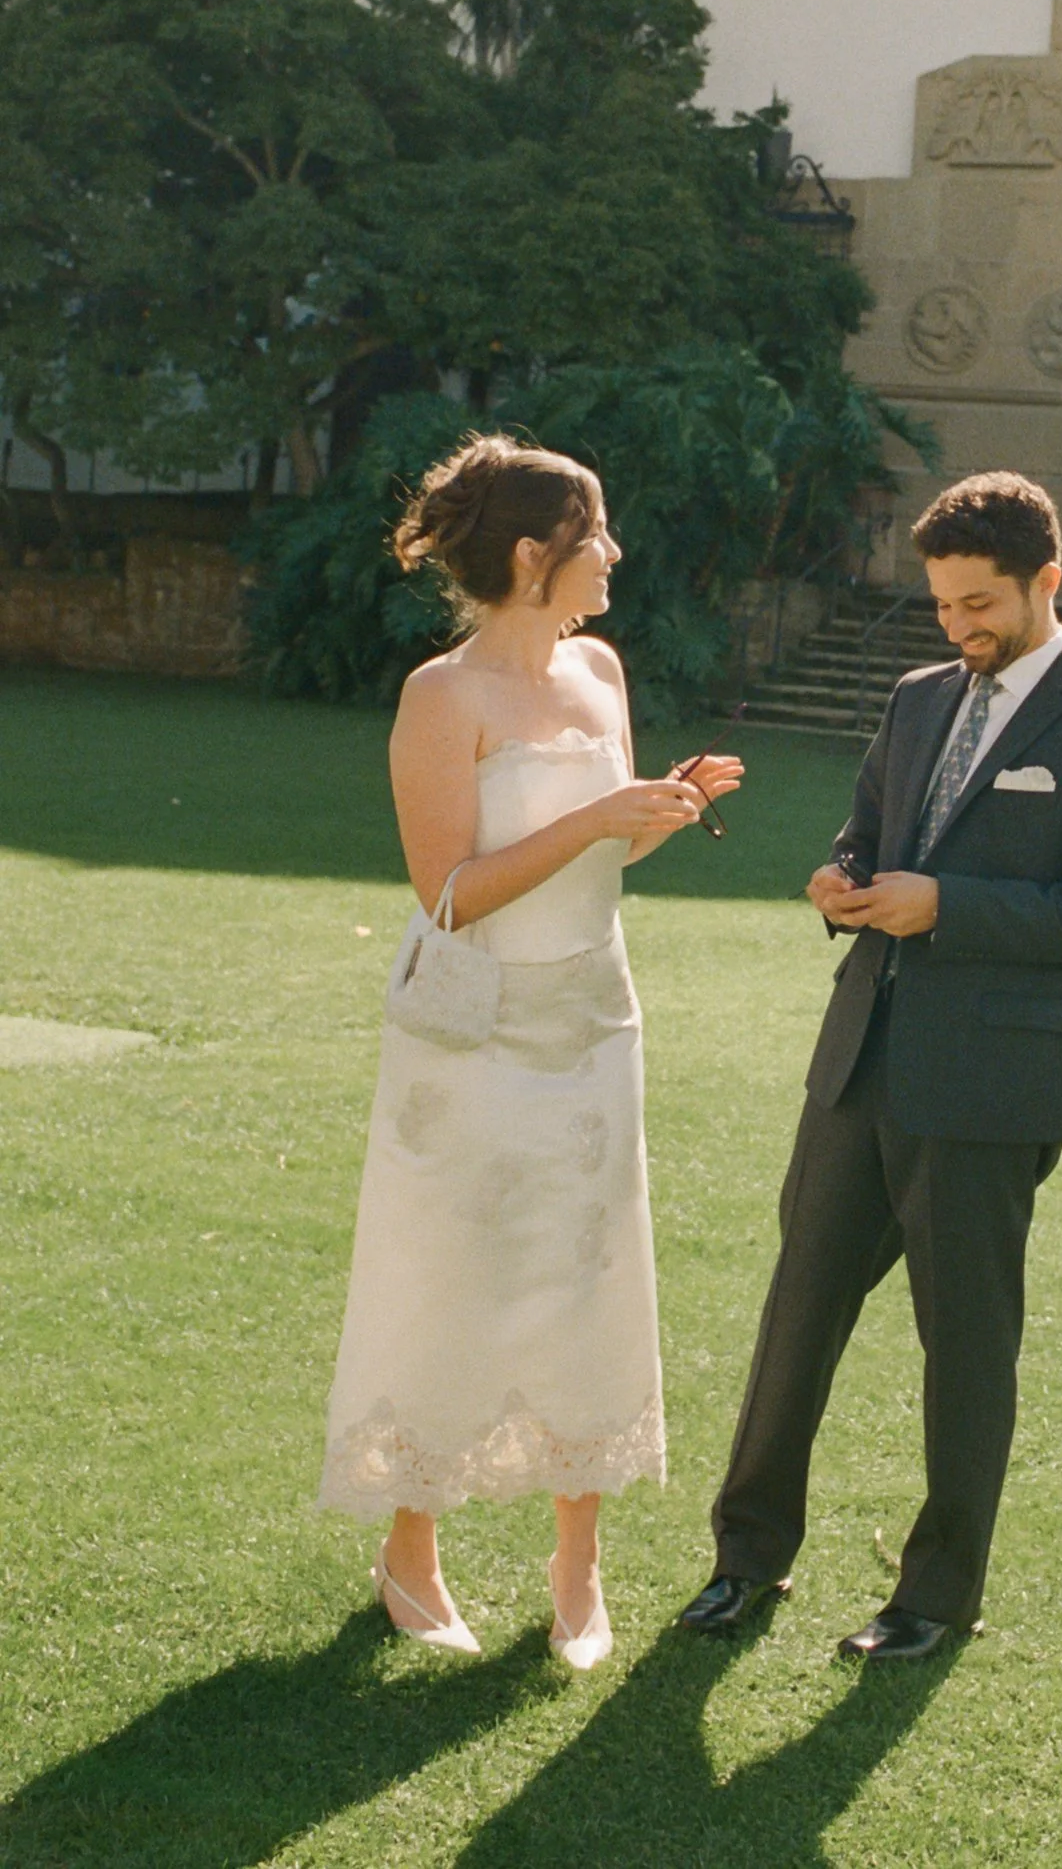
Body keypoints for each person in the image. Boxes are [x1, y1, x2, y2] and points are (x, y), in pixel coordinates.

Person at [676, 470, 1062, 1665]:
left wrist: (944, 900)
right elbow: (867, 826)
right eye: (943, 604)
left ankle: (934, 1596)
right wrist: (838, 880)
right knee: (794, 1319)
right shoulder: (911, 699)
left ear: (1048, 580)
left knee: (963, 1349)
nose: (958, 627)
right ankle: (747, 1559)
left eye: (980, 603)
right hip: (861, 1059)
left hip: (991, 1087)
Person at [319, 433, 742, 1666]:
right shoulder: (439, 696)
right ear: (530, 554)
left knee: (589, 1269)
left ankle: (578, 1562)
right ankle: (412, 1545)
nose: (612, 552)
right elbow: (447, 890)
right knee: (448, 1268)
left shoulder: (600, 668)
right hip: (474, 1036)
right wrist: (596, 817)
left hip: (595, 1022)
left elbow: (600, 857)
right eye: (593, 534)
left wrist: (660, 808)